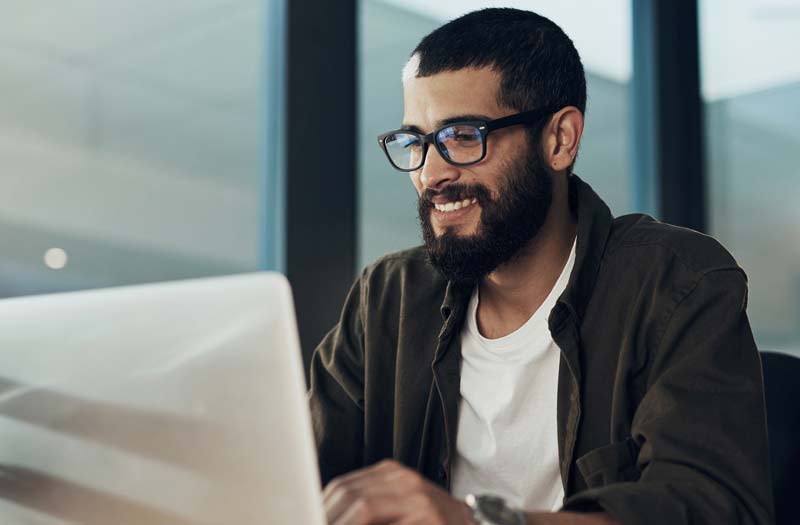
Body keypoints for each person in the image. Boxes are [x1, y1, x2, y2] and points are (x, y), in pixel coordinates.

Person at [308, 8, 773, 525]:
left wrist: (474, 521)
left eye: (462, 136)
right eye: (415, 142)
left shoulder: (677, 282)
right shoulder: (387, 298)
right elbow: (298, 470)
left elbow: (714, 508)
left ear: (560, 140)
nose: (430, 173)